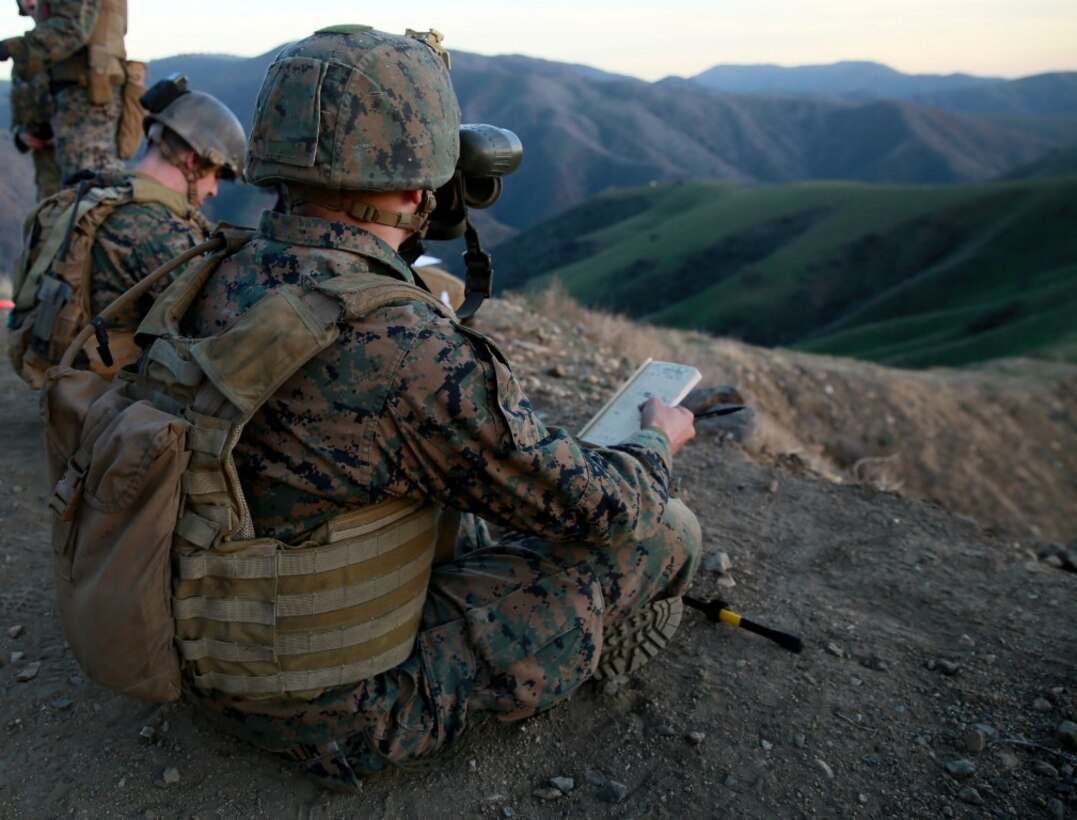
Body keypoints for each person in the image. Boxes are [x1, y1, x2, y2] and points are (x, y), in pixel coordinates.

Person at [169, 25, 702, 792]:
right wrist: (656, 445)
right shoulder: (402, 346)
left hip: (207, 640)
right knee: (665, 531)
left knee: (473, 508)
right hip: (328, 709)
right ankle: (589, 651)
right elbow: (604, 509)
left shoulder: (215, 271)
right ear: (420, 186)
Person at [6, 83, 245, 385]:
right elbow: (218, 333)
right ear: (193, 160)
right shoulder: (161, 231)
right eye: (217, 175)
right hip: (115, 407)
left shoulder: (88, 196)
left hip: (64, 386)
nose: (213, 190)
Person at [0, 0, 130, 180]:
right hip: (58, 140)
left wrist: (10, 49)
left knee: (92, 191)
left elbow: (72, 27)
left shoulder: (41, 47)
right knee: (69, 199)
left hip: (87, 95)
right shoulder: (39, 53)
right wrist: (24, 135)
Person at [8, 0, 62, 200]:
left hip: (87, 170)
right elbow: (18, 118)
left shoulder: (79, 53)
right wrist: (22, 136)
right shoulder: (23, 60)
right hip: (49, 184)